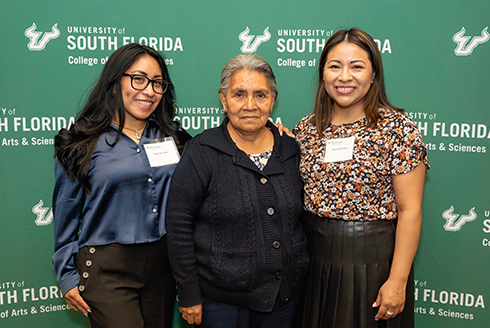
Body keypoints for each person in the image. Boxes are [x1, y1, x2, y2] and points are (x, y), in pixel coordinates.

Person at [292, 28, 429, 328]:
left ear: (373, 75)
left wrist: (397, 280)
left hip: (372, 266)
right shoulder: (307, 129)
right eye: (334, 66)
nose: (344, 76)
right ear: (322, 74)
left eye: (356, 66)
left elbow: (410, 211)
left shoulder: (397, 129)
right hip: (313, 263)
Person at [52, 43, 191, 328]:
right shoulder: (81, 144)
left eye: (157, 83)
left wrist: (267, 133)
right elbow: (65, 215)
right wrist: (66, 276)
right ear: (115, 82)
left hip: (162, 268)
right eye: (138, 79)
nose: (149, 90)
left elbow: (218, 155)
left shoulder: (174, 138)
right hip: (107, 269)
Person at [165, 54, 309, 328]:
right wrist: (188, 293)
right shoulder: (202, 151)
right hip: (221, 305)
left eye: (260, 95)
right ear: (223, 99)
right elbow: (178, 225)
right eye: (239, 94)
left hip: (283, 301)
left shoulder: (290, 149)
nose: (250, 105)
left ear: (273, 100)